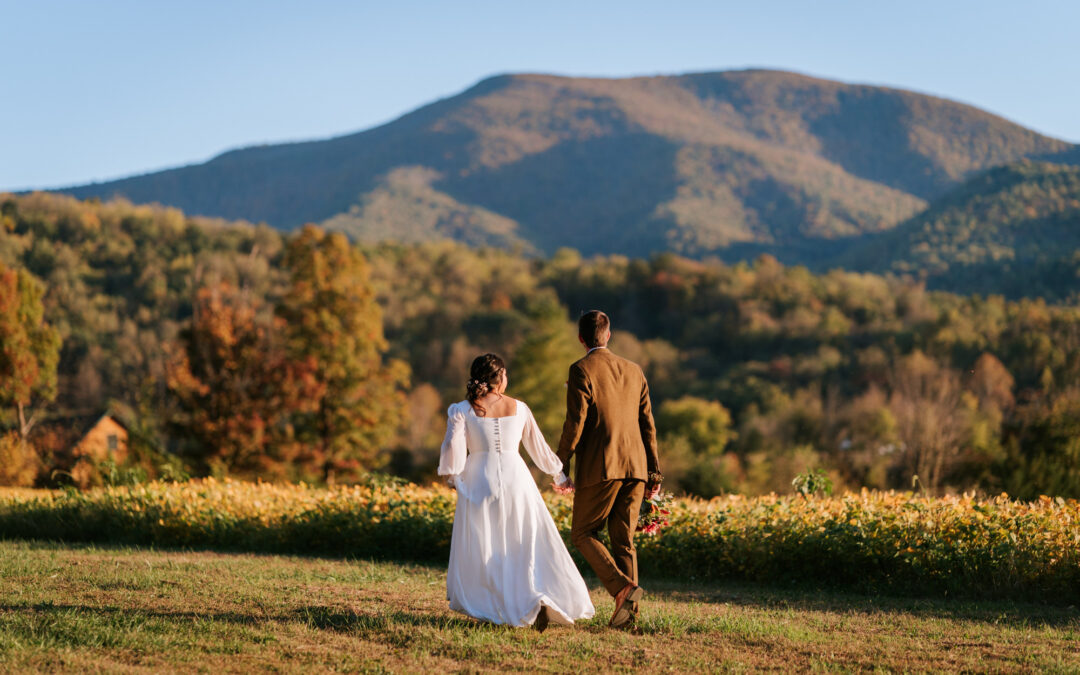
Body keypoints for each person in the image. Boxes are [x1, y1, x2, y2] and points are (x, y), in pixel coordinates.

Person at [438, 353, 595, 631]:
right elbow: (538, 448)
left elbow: (453, 447)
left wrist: (453, 476)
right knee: (522, 542)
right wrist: (559, 474)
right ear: (499, 378)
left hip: (479, 479)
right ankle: (533, 598)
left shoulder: (462, 409)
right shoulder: (520, 408)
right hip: (517, 479)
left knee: (487, 544)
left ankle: (496, 604)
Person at [557, 310, 662, 629]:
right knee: (623, 540)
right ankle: (628, 619)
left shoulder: (580, 370)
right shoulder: (634, 370)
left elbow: (575, 422)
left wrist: (560, 465)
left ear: (581, 338)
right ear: (609, 334)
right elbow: (648, 425)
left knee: (583, 532)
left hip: (601, 466)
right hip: (637, 468)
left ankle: (622, 589)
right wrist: (654, 473)